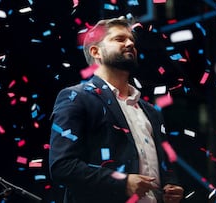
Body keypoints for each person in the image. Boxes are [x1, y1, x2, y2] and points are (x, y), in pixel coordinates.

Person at [48, 16, 184, 203]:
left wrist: (171, 185)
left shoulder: (151, 111)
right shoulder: (77, 97)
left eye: (132, 41)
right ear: (96, 51)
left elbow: (164, 166)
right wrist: (122, 182)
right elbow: (62, 166)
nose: (130, 43)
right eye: (119, 39)